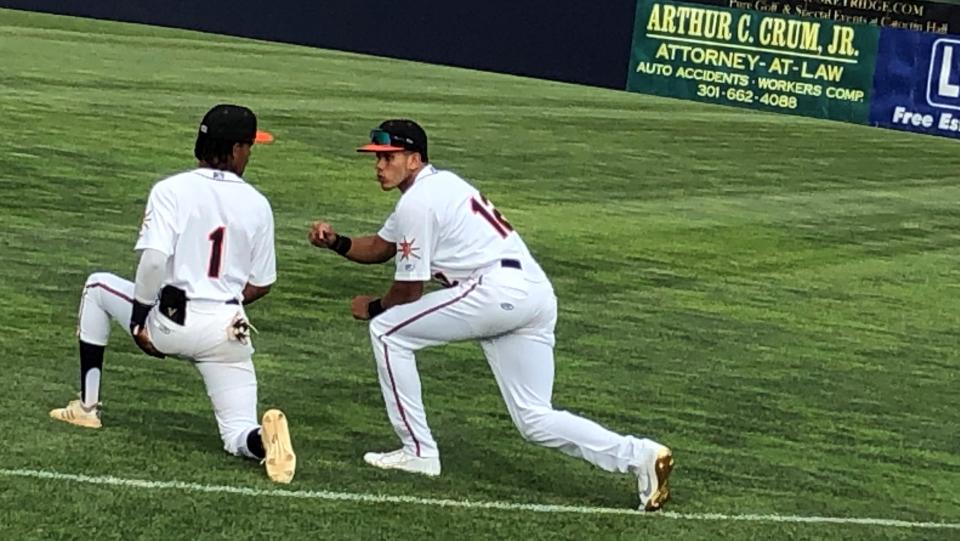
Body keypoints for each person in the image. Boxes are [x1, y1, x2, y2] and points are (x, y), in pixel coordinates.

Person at [308, 119, 673, 510]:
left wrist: (374, 307)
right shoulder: (443, 185)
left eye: (388, 157)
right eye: (377, 158)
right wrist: (337, 243)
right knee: (534, 418)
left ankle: (418, 451)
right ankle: (642, 455)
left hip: (494, 290)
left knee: (387, 331)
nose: (379, 166)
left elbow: (408, 290)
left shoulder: (417, 201)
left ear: (414, 160)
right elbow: (382, 246)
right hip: (534, 293)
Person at [49, 104, 296, 484]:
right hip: (230, 330)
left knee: (98, 286)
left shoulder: (171, 190)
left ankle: (87, 407)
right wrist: (221, 303)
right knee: (235, 433)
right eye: (247, 146)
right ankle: (261, 442)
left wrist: (137, 319)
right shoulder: (258, 204)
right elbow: (262, 283)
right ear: (232, 150)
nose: (249, 153)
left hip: (172, 323)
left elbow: (152, 263)